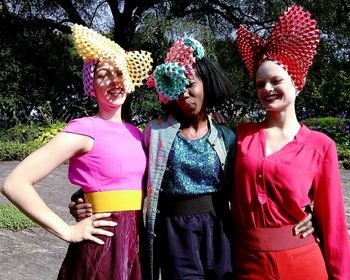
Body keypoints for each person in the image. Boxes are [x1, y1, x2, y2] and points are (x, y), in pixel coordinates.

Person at [1, 24, 153, 280]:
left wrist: (81, 199)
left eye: (119, 73)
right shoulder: (84, 129)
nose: (114, 80)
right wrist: (67, 231)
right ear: (91, 84)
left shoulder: (137, 133)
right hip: (102, 248)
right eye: (104, 74)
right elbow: (15, 183)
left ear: (128, 80)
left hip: (136, 244)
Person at [232, 4, 350, 279]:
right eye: (260, 84)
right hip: (247, 263)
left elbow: (333, 222)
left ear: (298, 82)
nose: (267, 89)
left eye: (276, 81)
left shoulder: (321, 146)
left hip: (302, 262)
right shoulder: (241, 136)